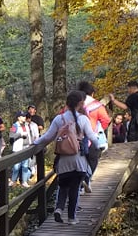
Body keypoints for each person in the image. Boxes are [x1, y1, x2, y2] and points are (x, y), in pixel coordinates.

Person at [35, 90, 95, 225]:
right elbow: (92, 137)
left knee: (63, 187)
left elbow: (48, 137)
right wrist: (98, 146)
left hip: (63, 161)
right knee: (75, 189)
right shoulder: (84, 119)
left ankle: (58, 208)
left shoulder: (59, 119)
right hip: (79, 160)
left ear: (67, 103)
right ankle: (72, 218)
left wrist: (35, 144)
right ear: (81, 104)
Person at [8, 110, 39, 187]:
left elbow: (29, 135)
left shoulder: (27, 125)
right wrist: (20, 134)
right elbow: (11, 136)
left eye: (25, 116)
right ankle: (13, 181)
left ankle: (24, 182)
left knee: (25, 165)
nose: (24, 118)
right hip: (18, 149)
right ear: (19, 117)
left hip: (26, 148)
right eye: (23, 116)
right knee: (16, 166)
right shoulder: (14, 126)